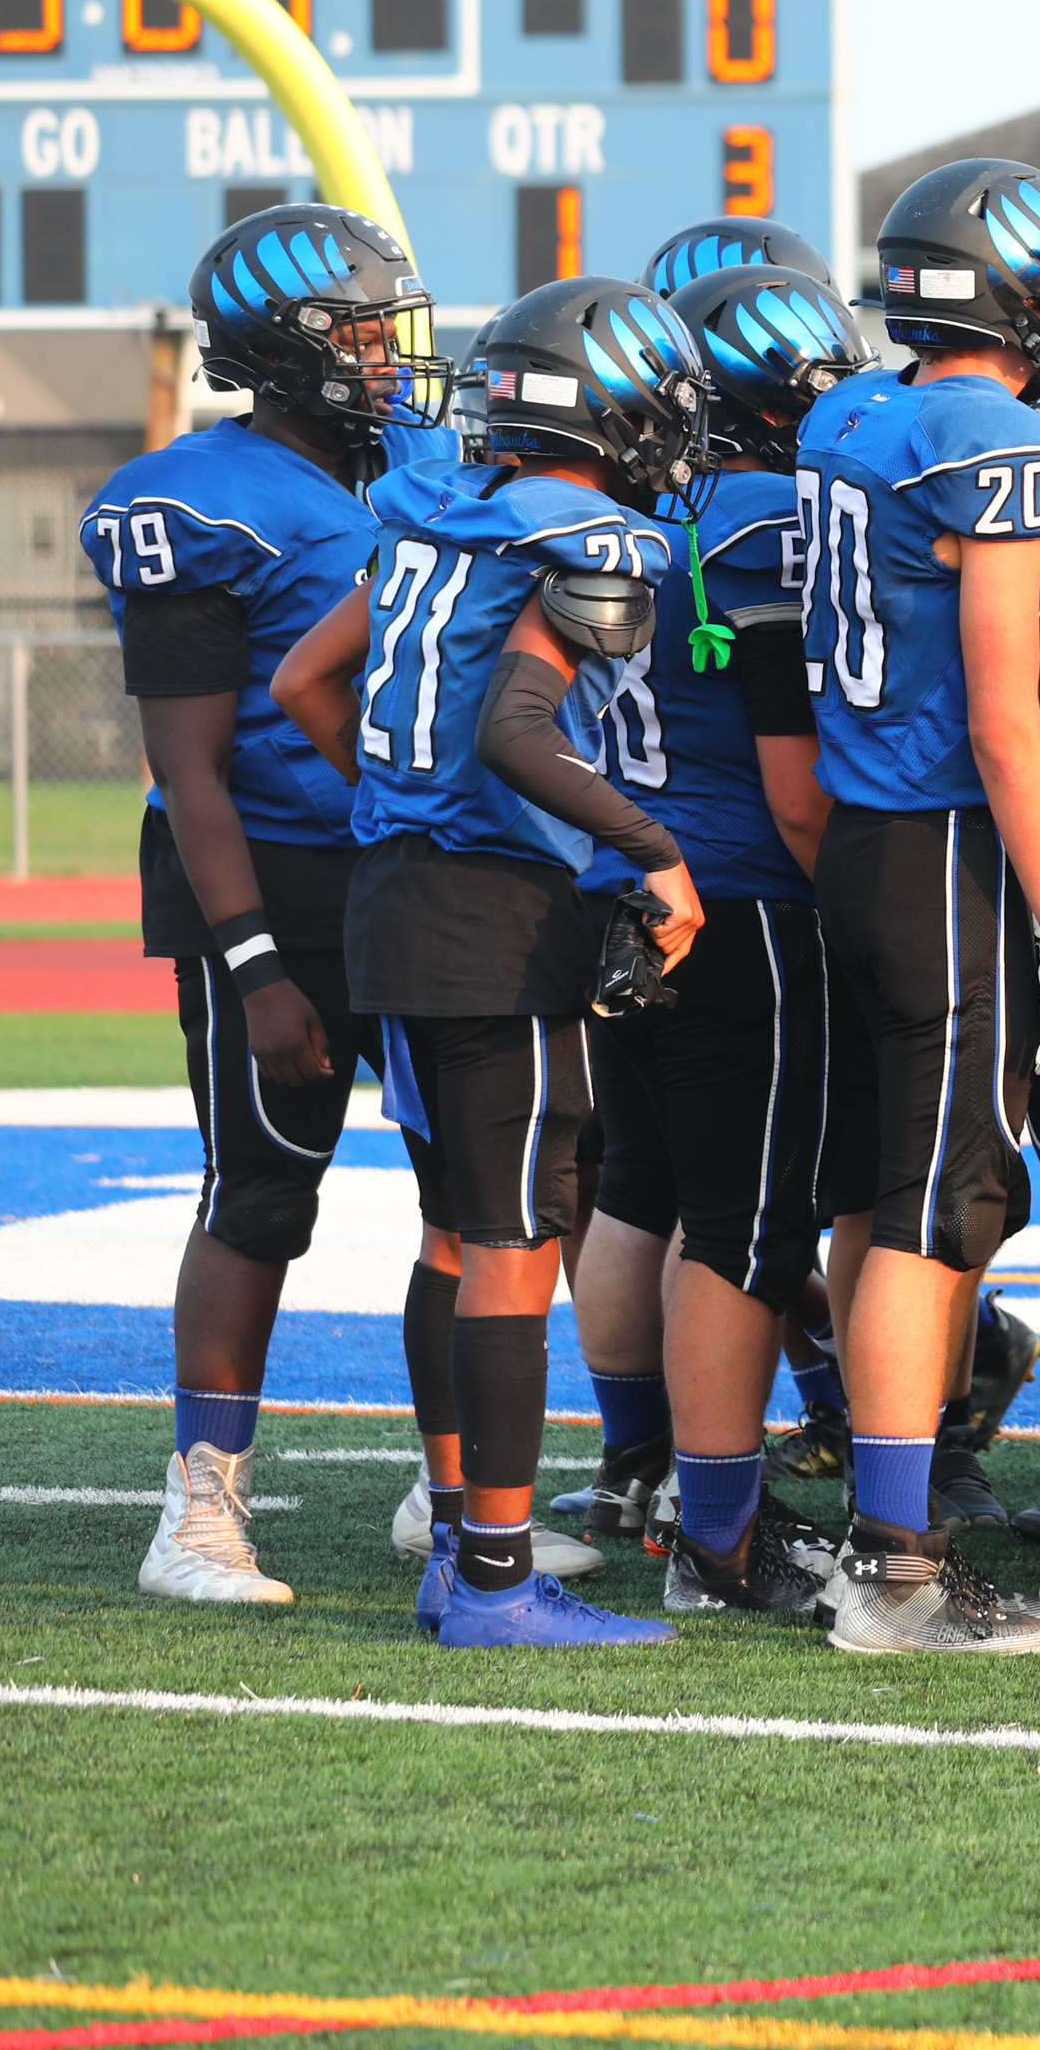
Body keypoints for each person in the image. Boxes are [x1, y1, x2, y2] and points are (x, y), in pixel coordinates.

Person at [272, 277, 712, 1647]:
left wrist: (406, 809)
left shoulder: (428, 516)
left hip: (388, 902)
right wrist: (655, 850)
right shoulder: (588, 535)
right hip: (495, 923)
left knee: (459, 1231)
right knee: (519, 1240)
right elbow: (524, 731)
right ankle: (496, 1575)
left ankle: (462, 1542)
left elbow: (303, 682)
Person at [84, 205, 447, 1606]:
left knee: (476, 1191)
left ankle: (458, 1483)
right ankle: (200, 1508)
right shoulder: (192, 498)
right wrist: (254, 962)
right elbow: (188, 767)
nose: (394, 352)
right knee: (260, 1190)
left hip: (414, 871)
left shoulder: (417, 460)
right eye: (365, 328)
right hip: (271, 875)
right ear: (288, 351)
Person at [789, 158, 1040, 1655]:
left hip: (857, 835)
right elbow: (1003, 717)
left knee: (877, 1193)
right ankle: (898, 1566)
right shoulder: (997, 435)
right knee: (936, 1209)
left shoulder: (847, 413)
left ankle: (880, 1517)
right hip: (941, 846)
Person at [579, 254, 868, 1617]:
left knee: (635, 1189)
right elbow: (797, 783)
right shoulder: (760, 520)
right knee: (742, 1227)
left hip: (620, 888)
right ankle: (720, 1533)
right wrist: (858, 910)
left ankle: (637, 1472)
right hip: (742, 898)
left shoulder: (621, 519)